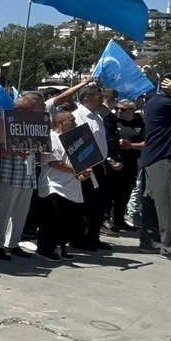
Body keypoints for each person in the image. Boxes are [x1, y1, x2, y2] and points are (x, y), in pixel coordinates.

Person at [138, 70, 171, 261]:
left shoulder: (155, 102)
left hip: (152, 157)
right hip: (164, 157)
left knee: (152, 202)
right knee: (170, 203)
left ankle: (151, 242)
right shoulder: (164, 101)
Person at [0, 91, 43, 260]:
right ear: (17, 109)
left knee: (21, 211)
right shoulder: (5, 122)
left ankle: (13, 243)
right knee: (3, 210)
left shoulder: (34, 124)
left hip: (28, 172)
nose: (32, 112)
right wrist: (17, 152)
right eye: (28, 109)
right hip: (10, 172)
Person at [36, 112, 90, 262]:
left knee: (67, 220)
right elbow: (54, 163)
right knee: (53, 219)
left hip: (72, 185)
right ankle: (46, 248)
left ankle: (60, 246)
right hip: (55, 185)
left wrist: (84, 172)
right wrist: (77, 169)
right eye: (71, 120)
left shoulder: (73, 139)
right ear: (60, 122)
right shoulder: (50, 138)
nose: (75, 123)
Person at [70, 83, 116, 251]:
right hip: (84, 165)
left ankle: (93, 237)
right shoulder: (77, 116)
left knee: (98, 203)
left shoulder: (97, 116)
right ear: (86, 99)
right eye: (98, 98)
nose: (101, 101)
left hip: (99, 165)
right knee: (84, 204)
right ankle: (78, 238)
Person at [109, 98, 144, 233]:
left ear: (132, 111)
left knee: (125, 193)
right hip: (115, 162)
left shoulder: (139, 122)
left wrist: (131, 146)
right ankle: (108, 220)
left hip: (131, 162)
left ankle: (119, 220)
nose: (119, 111)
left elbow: (147, 142)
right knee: (111, 192)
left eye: (122, 110)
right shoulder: (113, 121)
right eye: (117, 108)